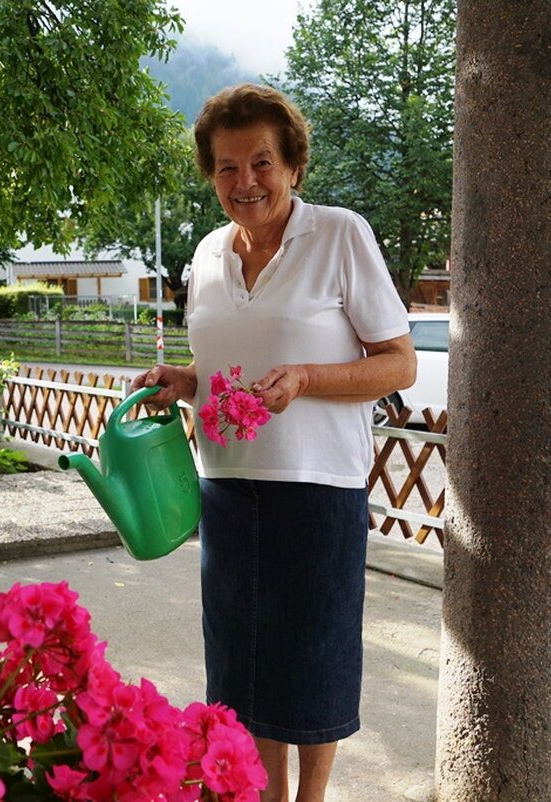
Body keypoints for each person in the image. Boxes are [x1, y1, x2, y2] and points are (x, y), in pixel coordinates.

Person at [131, 83, 416, 801]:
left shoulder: (340, 234)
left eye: (261, 162)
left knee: (313, 665)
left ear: (292, 165)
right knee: (244, 670)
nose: (245, 181)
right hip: (226, 488)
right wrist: (183, 381)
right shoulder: (206, 254)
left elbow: (399, 363)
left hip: (318, 489)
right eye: (227, 167)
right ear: (211, 175)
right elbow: (221, 370)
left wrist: (308, 377)